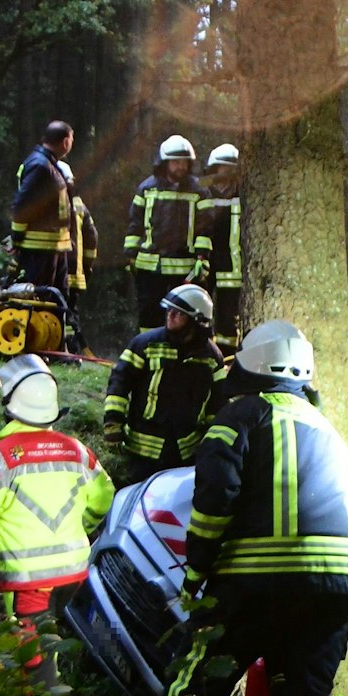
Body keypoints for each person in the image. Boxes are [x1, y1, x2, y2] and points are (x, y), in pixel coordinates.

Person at [146, 320, 348, 696]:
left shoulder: (239, 416)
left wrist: (196, 572)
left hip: (253, 585)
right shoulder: (326, 426)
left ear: (250, 366)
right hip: (336, 588)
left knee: (196, 687)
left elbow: (214, 500)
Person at [0, 354, 115, 696]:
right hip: (74, 573)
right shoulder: (77, 451)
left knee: (36, 657)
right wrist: (83, 526)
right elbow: (105, 498)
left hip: (28, 581)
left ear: (9, 404)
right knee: (46, 643)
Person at [102, 284, 226, 488]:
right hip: (142, 453)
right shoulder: (145, 345)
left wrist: (211, 439)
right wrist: (113, 422)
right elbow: (119, 383)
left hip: (187, 454)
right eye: (169, 310)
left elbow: (218, 401)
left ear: (197, 320)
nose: (171, 316)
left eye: (179, 313)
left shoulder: (211, 357)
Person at [124, 135, 210, 332]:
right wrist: (130, 255)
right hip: (150, 265)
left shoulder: (199, 191)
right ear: (164, 162)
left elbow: (205, 227)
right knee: (149, 313)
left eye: (184, 162)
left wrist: (202, 257)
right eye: (176, 162)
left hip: (184, 267)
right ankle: (149, 347)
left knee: (183, 315)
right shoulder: (147, 188)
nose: (181, 166)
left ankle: (179, 348)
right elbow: (135, 223)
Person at [10, 121, 75, 294]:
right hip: (39, 249)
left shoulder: (48, 165)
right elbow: (22, 206)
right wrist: (17, 238)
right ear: (65, 142)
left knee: (57, 299)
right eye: (71, 139)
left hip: (52, 248)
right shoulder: (40, 166)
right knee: (41, 300)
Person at [199, 143, 242, 341]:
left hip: (233, 264)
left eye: (231, 168)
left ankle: (227, 353)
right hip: (206, 262)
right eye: (223, 167)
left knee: (228, 316)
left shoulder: (244, 193)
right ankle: (204, 349)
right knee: (201, 312)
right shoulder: (202, 192)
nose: (227, 172)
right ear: (214, 168)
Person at [56, 160, 99, 314]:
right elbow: (92, 239)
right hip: (75, 276)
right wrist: (86, 268)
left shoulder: (48, 205)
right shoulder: (80, 206)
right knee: (69, 314)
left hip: (52, 273)